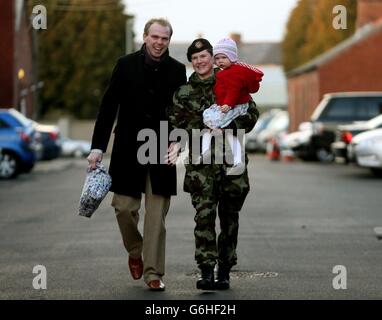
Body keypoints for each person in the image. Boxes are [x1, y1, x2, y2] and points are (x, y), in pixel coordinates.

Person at [87, 18, 187, 291]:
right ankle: (135, 250)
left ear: (168, 41)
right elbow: (108, 107)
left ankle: (153, 272)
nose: (159, 42)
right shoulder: (125, 64)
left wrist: (179, 141)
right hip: (128, 147)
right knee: (123, 208)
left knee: (156, 217)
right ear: (145, 37)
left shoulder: (178, 71)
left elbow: (183, 112)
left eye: (164, 38)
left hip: (161, 148)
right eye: (154, 37)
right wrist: (97, 147)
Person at [167, 39, 259, 290]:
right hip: (201, 169)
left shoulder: (232, 79)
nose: (200, 61)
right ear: (192, 62)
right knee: (204, 218)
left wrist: (227, 126)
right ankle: (206, 270)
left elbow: (251, 115)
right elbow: (176, 124)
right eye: (195, 58)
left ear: (213, 57)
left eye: (204, 56)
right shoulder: (184, 92)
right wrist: (197, 129)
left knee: (230, 219)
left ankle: (225, 270)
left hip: (232, 166)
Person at [200, 38, 263, 175]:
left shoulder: (233, 73)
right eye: (217, 58)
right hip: (226, 106)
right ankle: (209, 154)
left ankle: (231, 159)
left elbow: (234, 91)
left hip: (231, 108)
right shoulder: (228, 72)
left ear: (232, 57)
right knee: (213, 129)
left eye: (224, 57)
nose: (220, 61)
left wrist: (228, 105)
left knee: (217, 130)